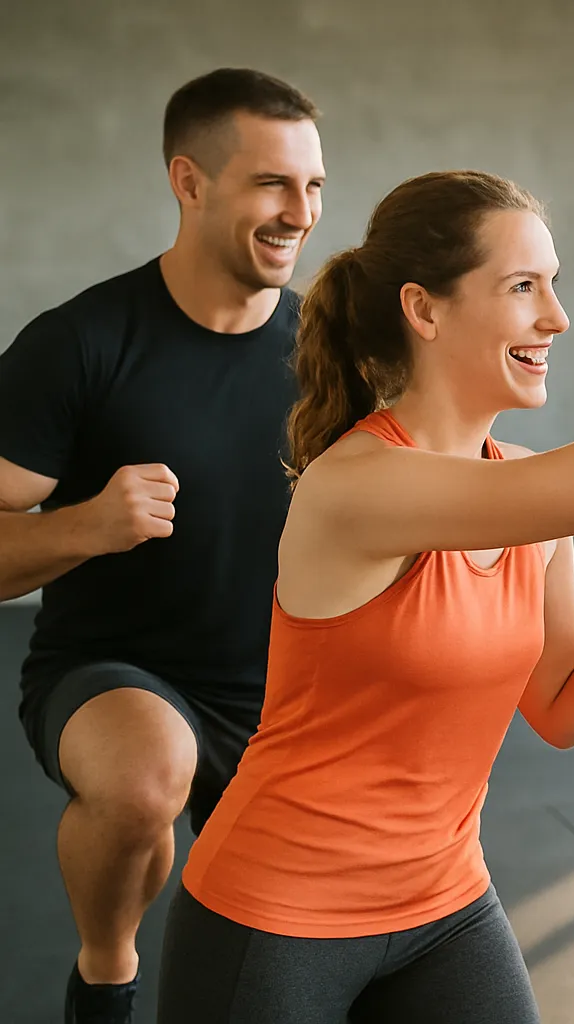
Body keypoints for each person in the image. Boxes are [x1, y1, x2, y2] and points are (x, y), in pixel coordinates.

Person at [153, 39, 574, 1024]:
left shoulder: (524, 496)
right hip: (275, 913)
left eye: (553, 283)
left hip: (443, 905)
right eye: (523, 287)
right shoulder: (358, 486)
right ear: (422, 308)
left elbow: (558, 704)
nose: (557, 315)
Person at [0, 68, 324, 1024]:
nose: (298, 212)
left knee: (281, 974)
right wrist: (87, 526)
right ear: (189, 182)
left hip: (282, 696)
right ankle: (106, 970)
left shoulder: (326, 356)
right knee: (146, 781)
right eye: (272, 183)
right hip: (114, 672)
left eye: (313, 186)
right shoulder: (81, 343)